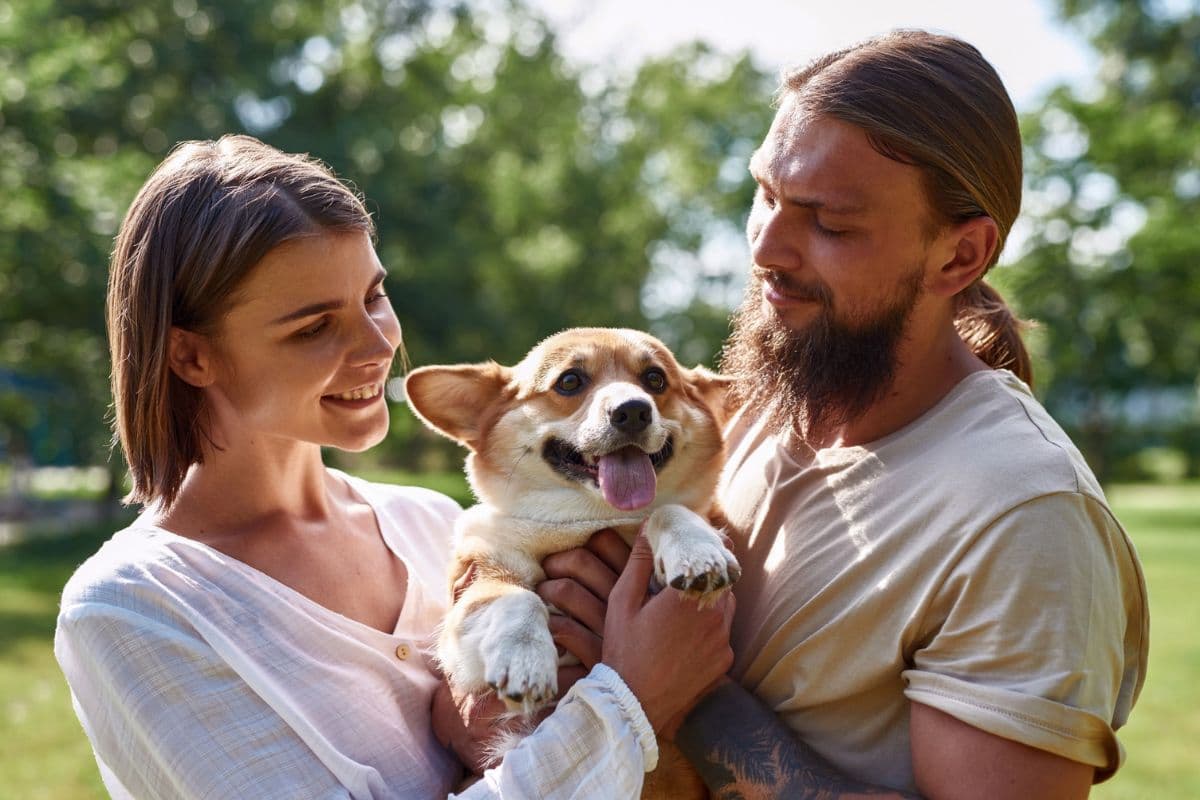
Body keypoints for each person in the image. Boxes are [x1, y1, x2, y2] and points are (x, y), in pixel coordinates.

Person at [542, 30, 1148, 799]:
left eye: (829, 223)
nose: (767, 247)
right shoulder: (761, 400)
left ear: (959, 257)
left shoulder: (1025, 515)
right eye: (765, 193)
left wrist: (679, 693)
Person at [53, 134, 735, 799]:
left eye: (374, 297)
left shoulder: (432, 523)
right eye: (314, 326)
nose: (378, 345)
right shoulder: (133, 607)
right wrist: (632, 701)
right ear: (193, 357)